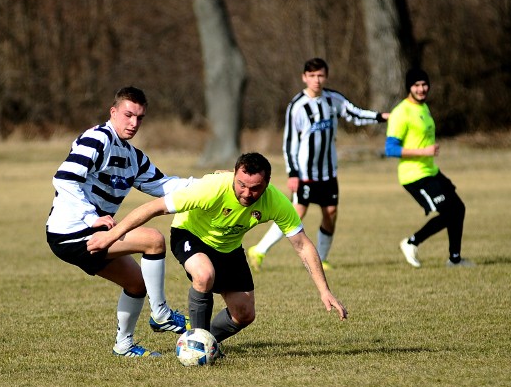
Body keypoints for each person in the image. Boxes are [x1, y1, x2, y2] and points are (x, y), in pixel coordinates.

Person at [87, 152, 347, 353]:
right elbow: (154, 208)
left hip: (229, 248)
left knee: (244, 314)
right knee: (204, 274)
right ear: (234, 174)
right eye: (241, 184)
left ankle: (203, 340)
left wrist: (324, 290)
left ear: (267, 183)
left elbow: (302, 245)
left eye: (255, 188)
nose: (246, 193)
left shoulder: (276, 202)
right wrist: (111, 236)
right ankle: (196, 348)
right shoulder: (212, 188)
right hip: (190, 236)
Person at [46, 86, 192, 359]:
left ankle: (123, 345)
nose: (134, 123)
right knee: (153, 240)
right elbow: (65, 178)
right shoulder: (98, 139)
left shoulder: (133, 158)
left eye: (140, 117)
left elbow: (165, 185)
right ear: (113, 112)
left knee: (137, 283)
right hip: (71, 231)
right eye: (128, 115)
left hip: (94, 233)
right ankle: (160, 314)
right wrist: (91, 217)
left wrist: (211, 185)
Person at [247, 57, 389, 271]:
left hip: (328, 172)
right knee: (296, 212)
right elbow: (289, 143)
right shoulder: (297, 106)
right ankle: (259, 250)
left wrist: (381, 116)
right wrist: (292, 172)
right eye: (312, 76)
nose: (316, 80)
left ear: (326, 76)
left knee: (330, 212)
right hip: (305, 173)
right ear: (304, 77)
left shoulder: (333, 100)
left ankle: (321, 258)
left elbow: (355, 114)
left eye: (320, 75)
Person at [385, 69, 474, 268]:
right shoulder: (401, 112)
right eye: (416, 85)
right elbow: (390, 149)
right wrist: (423, 152)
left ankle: (455, 259)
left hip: (430, 171)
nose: (421, 88)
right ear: (409, 87)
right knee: (449, 212)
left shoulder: (423, 108)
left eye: (424, 84)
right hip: (414, 175)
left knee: (458, 209)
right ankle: (411, 242)